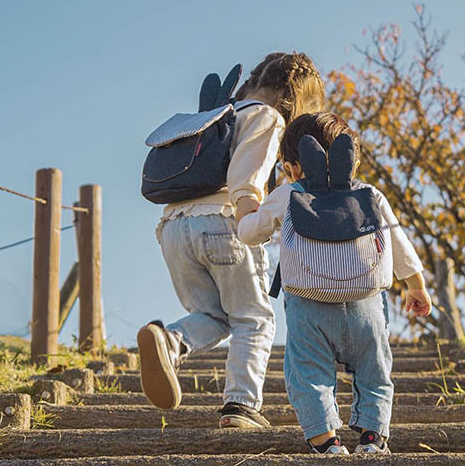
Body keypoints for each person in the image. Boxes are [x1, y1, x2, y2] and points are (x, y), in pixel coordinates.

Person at [138, 53, 325, 429]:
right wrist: (252, 223)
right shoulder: (266, 116)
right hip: (224, 223)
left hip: (173, 227)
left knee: (213, 315)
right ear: (292, 102)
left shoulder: (217, 115)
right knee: (254, 319)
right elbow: (246, 178)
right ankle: (241, 406)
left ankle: (170, 340)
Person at [237, 112, 432, 453]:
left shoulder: (288, 193)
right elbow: (398, 242)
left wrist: (247, 211)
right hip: (366, 305)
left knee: (308, 375)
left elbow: (251, 233)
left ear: (290, 167)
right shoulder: (370, 194)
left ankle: (326, 440)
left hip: (308, 306)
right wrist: (416, 285)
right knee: (374, 370)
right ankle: (373, 436)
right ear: (350, 162)